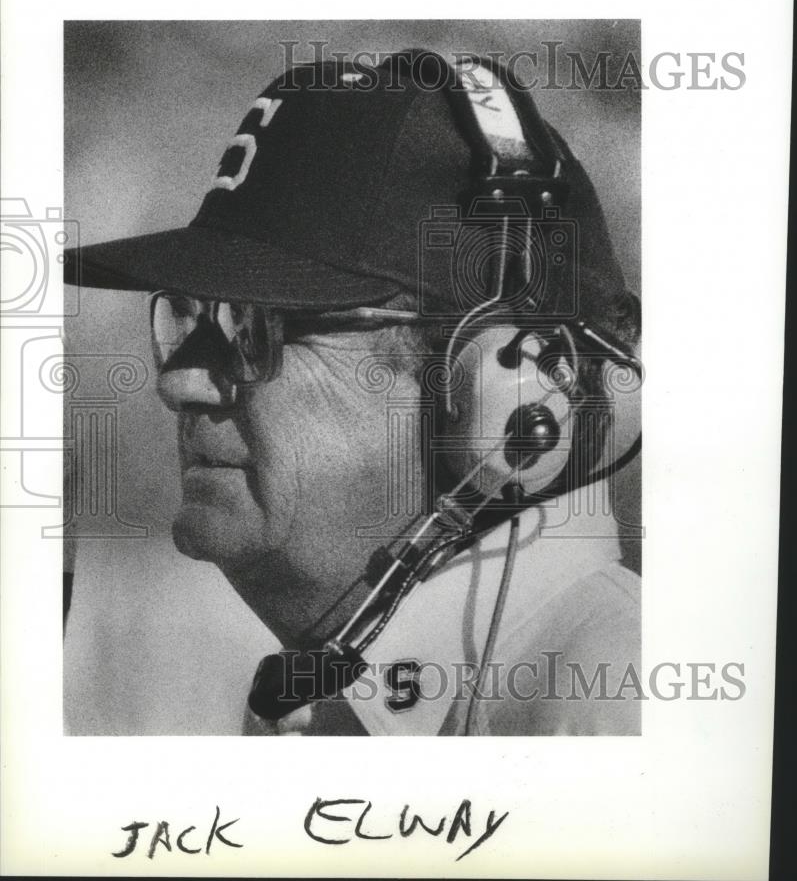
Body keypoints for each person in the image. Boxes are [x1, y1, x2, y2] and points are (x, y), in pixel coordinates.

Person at [64, 49, 642, 736]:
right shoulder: (322, 700)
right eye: (189, 318)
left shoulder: (609, 704)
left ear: (508, 398)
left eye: (254, 327)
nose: (180, 381)